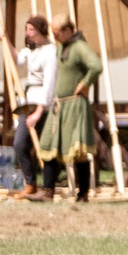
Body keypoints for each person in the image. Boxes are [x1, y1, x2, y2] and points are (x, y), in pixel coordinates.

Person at [38, 18, 101, 203]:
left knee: (77, 151)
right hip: (60, 105)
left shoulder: (80, 47)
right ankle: (47, 191)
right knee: (48, 143)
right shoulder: (60, 47)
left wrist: (85, 83)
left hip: (75, 105)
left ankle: (83, 194)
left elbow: (96, 66)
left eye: (57, 33)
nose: (55, 37)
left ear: (67, 30)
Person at [13, 15, 54, 201]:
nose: (27, 33)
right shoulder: (31, 50)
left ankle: (48, 188)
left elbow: (49, 84)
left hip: (42, 103)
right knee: (20, 143)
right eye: (26, 29)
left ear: (40, 30)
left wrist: (39, 110)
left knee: (44, 146)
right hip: (28, 100)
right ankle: (30, 184)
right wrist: (5, 41)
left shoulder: (50, 52)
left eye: (31, 29)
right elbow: (18, 60)